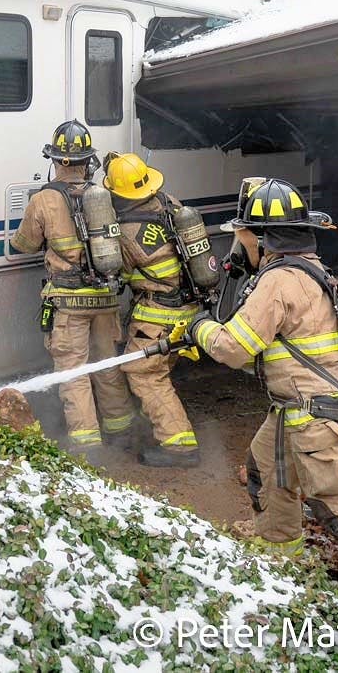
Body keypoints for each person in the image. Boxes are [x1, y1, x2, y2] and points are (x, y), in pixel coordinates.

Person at [189, 177, 338, 622]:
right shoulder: (307, 270)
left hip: (315, 417)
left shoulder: (280, 281)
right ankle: (278, 566)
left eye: (242, 235)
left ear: (261, 237)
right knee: (266, 473)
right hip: (291, 411)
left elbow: (232, 349)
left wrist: (199, 328)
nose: (237, 245)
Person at [10, 121, 137, 450]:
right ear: (87, 161)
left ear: (54, 160)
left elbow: (23, 244)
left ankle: (87, 444)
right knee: (107, 365)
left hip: (69, 303)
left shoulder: (44, 199)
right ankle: (121, 429)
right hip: (106, 297)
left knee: (74, 373)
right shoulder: (104, 195)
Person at [102, 152, 202, 467]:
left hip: (158, 313)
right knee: (159, 370)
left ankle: (179, 446)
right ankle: (158, 425)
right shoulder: (169, 204)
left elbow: (121, 273)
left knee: (144, 374)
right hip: (188, 307)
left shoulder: (126, 231)